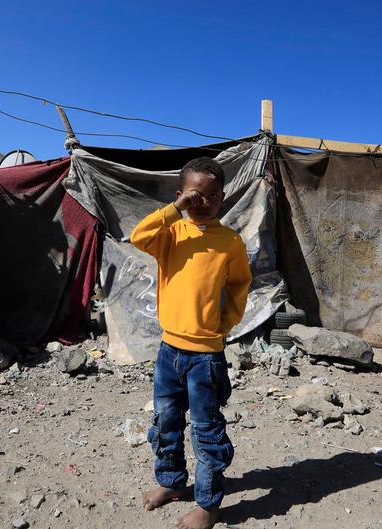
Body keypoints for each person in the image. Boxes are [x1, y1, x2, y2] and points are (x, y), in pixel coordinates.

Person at [131, 157, 252, 529]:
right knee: (166, 422)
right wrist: (174, 211)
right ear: (181, 195)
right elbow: (138, 236)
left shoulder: (229, 241)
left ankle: (208, 504)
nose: (205, 202)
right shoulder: (171, 234)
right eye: (196, 195)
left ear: (224, 197)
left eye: (214, 195)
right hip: (169, 351)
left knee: (206, 430)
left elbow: (238, 288)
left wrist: (224, 325)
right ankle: (171, 483)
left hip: (206, 358)